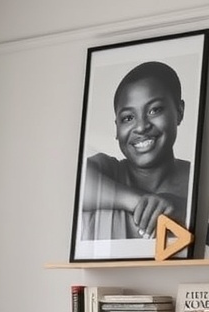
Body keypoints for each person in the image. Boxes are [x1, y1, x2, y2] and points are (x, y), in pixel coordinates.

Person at [81, 60, 190, 241]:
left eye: (154, 110)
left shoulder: (197, 178)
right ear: (117, 128)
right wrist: (141, 201)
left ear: (179, 111)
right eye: (128, 118)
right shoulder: (107, 170)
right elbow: (75, 185)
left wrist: (184, 208)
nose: (141, 127)